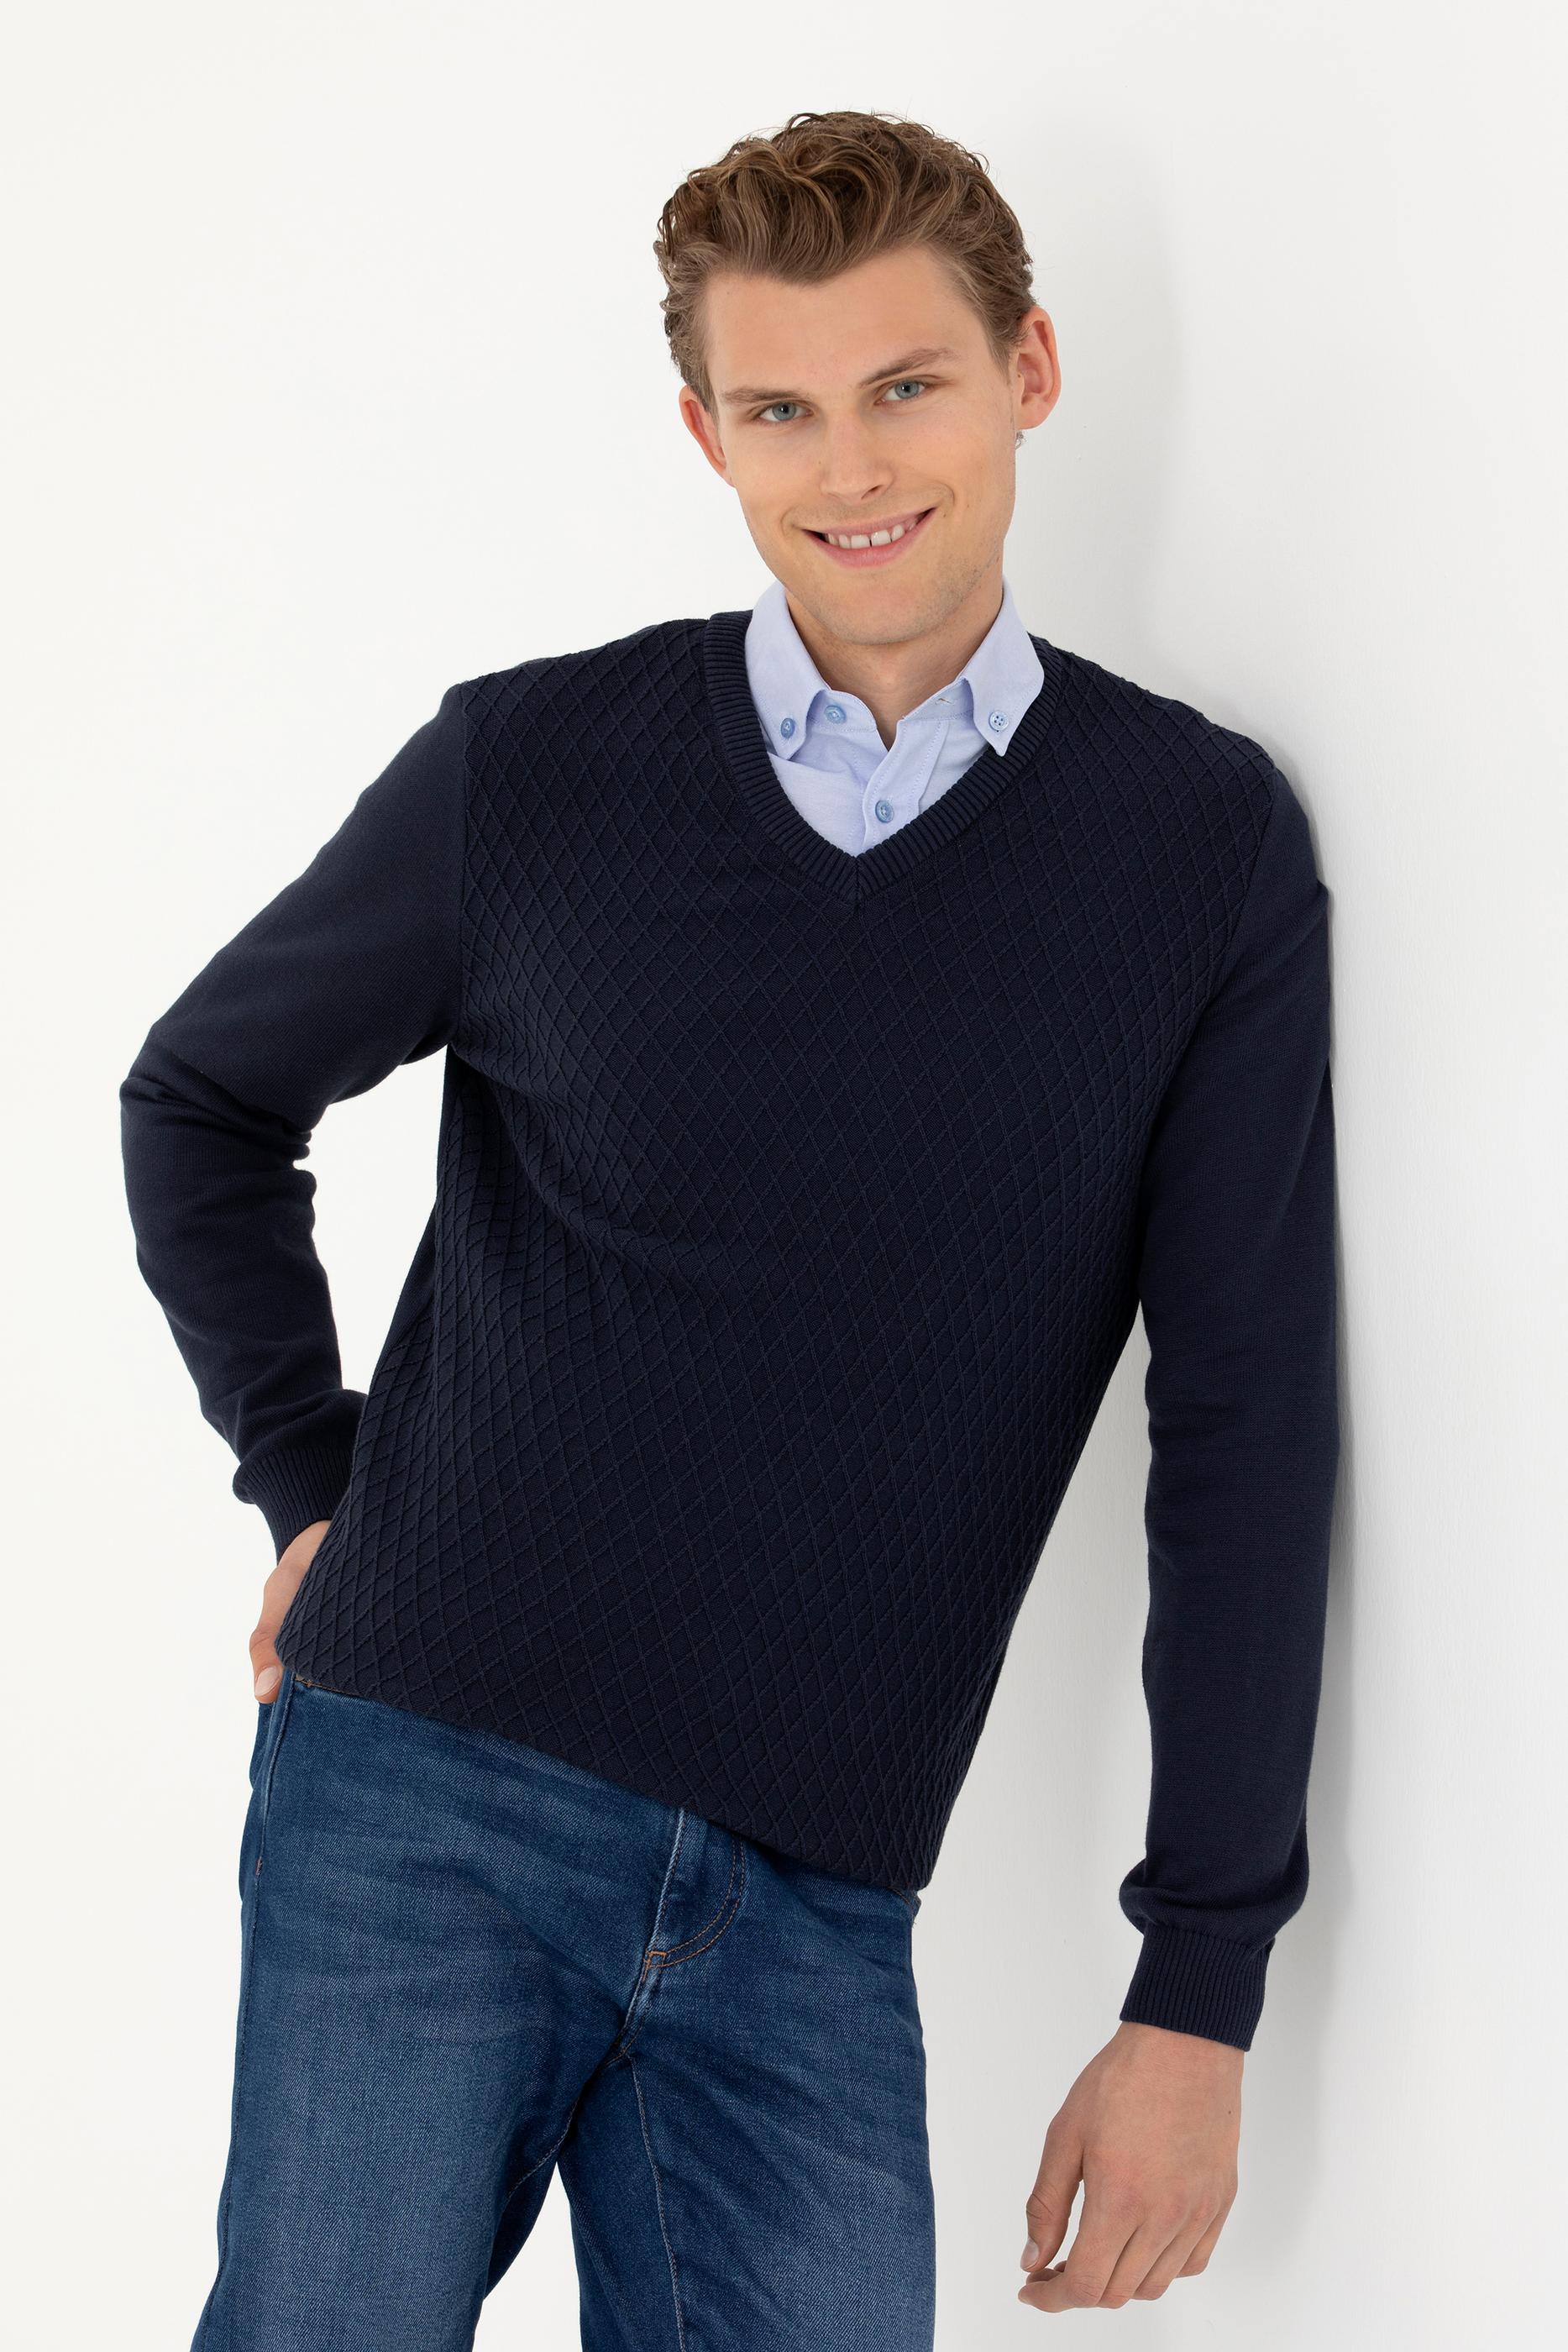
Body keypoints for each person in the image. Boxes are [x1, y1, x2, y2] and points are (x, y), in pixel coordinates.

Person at [119, 108, 1339, 2349]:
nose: (849, 467)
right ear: (705, 431)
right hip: (421, 1795)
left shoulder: (1196, 849)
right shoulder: (531, 771)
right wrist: (311, 1482)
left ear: (1030, 370)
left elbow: (1247, 1427)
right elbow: (199, 1098)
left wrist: (1199, 1989)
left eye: (907, 385)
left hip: (813, 1891)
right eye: (778, 408)